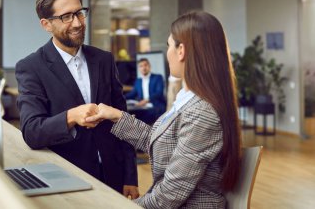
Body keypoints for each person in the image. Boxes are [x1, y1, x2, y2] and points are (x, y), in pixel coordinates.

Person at [86, 11, 241, 208]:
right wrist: (116, 116)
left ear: (181, 50)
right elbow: (161, 143)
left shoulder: (202, 113)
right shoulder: (190, 99)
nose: (167, 53)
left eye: (169, 45)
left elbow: (169, 195)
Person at [15, 0, 139, 198]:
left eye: (80, 13)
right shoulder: (31, 67)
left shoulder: (104, 60)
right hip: (68, 177)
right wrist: (71, 116)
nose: (78, 22)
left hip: (113, 174)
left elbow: (122, 119)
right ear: (46, 24)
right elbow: (32, 132)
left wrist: (130, 176)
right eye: (66, 17)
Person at [125, 58, 166, 124]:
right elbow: (132, 94)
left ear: (149, 66)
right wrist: (121, 97)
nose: (143, 68)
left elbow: (159, 93)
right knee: (129, 115)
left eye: (145, 65)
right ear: (139, 69)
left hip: (155, 106)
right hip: (142, 107)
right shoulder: (138, 81)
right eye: (141, 66)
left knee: (141, 119)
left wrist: (146, 100)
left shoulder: (158, 77)